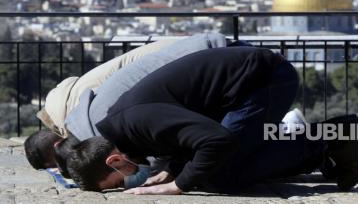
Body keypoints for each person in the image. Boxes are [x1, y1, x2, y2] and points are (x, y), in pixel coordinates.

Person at [65, 47, 358, 194]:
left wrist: (177, 185)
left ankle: (330, 140)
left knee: (219, 172)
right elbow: (184, 136)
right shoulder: (126, 126)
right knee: (211, 169)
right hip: (243, 87)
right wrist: (172, 168)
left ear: (114, 160)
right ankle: (326, 141)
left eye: (120, 181)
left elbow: (215, 141)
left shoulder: (136, 120)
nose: (130, 180)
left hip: (264, 79)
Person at [24, 33, 229, 173]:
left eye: (62, 163)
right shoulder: (77, 108)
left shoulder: (95, 121)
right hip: (195, 52)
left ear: (59, 146)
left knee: (238, 141)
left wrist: (167, 175)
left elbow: (155, 130)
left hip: (211, 62)